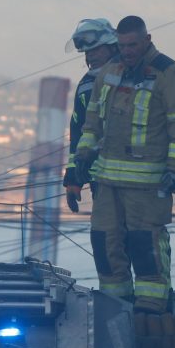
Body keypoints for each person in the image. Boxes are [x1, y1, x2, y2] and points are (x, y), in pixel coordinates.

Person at [75, 16, 175, 313]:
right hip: (107, 183)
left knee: (146, 246)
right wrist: (81, 159)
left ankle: (151, 307)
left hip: (148, 184)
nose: (127, 51)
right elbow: (91, 123)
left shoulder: (170, 74)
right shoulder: (109, 72)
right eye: (122, 45)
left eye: (132, 45)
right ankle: (116, 304)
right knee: (105, 244)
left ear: (147, 39)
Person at [63, 18, 120, 213]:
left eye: (96, 50)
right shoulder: (86, 85)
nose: (91, 56)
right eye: (88, 52)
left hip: (136, 181)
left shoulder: (132, 77)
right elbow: (78, 132)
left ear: (113, 48)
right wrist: (73, 179)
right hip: (100, 179)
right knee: (102, 238)